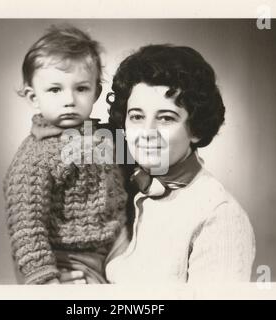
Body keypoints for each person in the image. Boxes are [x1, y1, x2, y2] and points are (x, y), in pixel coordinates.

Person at [105, 44, 256, 283]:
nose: (147, 132)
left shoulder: (219, 216)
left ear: (195, 129)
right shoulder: (126, 188)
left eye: (166, 118)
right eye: (136, 116)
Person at [3, 25, 128, 284]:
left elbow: (130, 168)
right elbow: (26, 225)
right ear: (33, 96)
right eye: (55, 90)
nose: (69, 99)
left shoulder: (103, 136)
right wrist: (45, 279)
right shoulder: (36, 156)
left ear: (96, 92)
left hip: (118, 243)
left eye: (81, 88)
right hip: (72, 257)